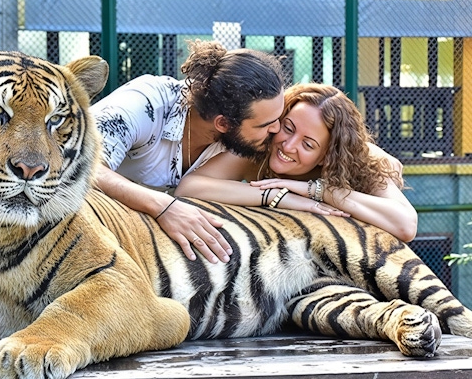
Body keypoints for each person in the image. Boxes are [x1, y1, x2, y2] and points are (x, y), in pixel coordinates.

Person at [91, 39, 286, 264]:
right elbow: (79, 166)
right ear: (223, 124)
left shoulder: (240, 138)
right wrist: (163, 207)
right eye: (265, 125)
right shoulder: (145, 104)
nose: (277, 129)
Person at [175, 82, 417, 242]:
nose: (288, 146)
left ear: (327, 156)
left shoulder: (366, 161)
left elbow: (405, 225)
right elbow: (189, 188)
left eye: (308, 144)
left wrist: (317, 191)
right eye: (288, 128)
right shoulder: (261, 148)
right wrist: (276, 195)